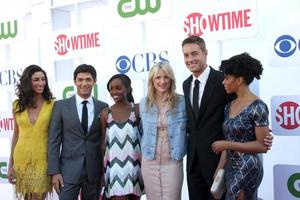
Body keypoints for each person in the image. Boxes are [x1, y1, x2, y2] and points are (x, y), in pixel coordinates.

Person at [181, 35, 273, 200]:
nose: (190, 59)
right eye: (186, 55)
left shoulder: (222, 80)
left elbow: (243, 115)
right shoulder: (186, 84)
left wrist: (261, 135)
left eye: (194, 53)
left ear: (205, 53)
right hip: (194, 162)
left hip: (220, 161)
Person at [211, 52, 269, 199]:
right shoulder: (229, 106)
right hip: (230, 167)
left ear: (239, 80)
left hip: (248, 167)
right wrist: (219, 170)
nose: (223, 81)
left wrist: (227, 144)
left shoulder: (258, 106)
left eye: (227, 77)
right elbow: (228, 143)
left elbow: (262, 146)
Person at [48, 64, 108, 200]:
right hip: (67, 171)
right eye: (80, 80)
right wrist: (54, 171)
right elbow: (54, 141)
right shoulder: (61, 106)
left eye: (88, 79)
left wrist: (105, 171)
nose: (84, 83)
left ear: (94, 81)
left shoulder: (103, 107)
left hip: (94, 171)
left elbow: (104, 140)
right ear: (74, 81)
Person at [139, 61, 187, 200]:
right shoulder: (143, 103)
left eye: (166, 77)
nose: (162, 81)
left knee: (172, 197)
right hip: (149, 159)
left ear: (171, 80)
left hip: (173, 159)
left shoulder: (182, 102)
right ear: (152, 81)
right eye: (158, 78)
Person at [7, 65, 54, 200]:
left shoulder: (52, 105)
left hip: (43, 160)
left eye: (43, 79)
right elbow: (16, 134)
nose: (41, 83)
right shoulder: (17, 105)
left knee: (38, 197)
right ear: (28, 82)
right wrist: (11, 165)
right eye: (36, 80)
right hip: (21, 159)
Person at [100, 74, 144, 200]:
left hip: (135, 167)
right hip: (113, 170)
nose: (114, 92)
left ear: (128, 88)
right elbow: (103, 144)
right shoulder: (105, 113)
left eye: (118, 88)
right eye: (111, 89)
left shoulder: (137, 109)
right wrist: (102, 172)